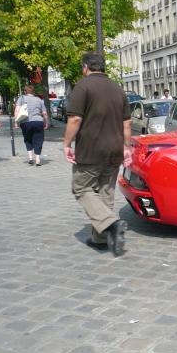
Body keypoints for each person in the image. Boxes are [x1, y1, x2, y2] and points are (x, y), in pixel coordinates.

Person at [62, 52, 131, 256]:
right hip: (115, 149)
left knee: (81, 188)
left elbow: (75, 119)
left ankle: (111, 224)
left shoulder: (83, 86)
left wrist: (66, 143)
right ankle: (100, 240)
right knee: (105, 192)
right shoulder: (118, 89)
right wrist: (126, 147)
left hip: (91, 150)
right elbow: (127, 123)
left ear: (85, 67)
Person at [15, 85, 48, 166]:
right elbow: (44, 113)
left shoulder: (21, 98)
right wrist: (46, 122)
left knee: (27, 139)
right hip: (38, 122)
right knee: (38, 139)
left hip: (25, 122)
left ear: (26, 91)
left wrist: (16, 122)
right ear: (34, 91)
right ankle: (37, 159)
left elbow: (17, 110)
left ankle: (30, 158)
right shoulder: (39, 100)